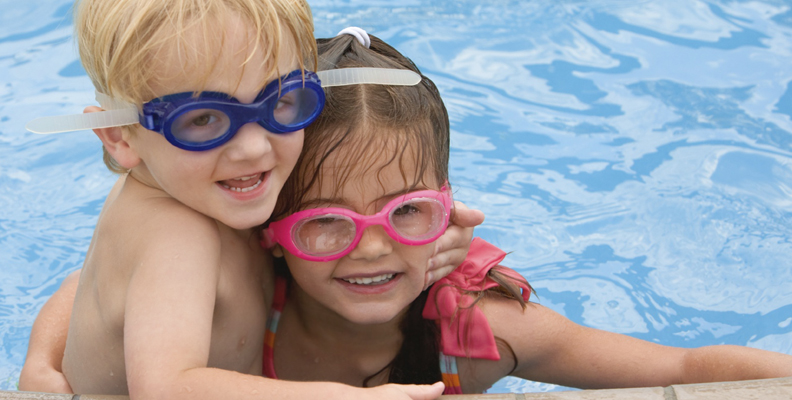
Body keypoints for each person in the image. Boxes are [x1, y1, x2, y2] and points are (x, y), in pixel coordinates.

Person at [257, 31, 792, 394]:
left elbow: (681, 367)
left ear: (447, 205)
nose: (372, 247)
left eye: (406, 211)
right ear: (269, 230)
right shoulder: (240, 303)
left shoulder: (479, 334)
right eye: (324, 220)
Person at [17, 0, 480, 398]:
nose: (255, 148)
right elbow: (164, 389)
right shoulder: (178, 236)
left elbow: (84, 283)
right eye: (201, 120)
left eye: (282, 100)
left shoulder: (196, 184)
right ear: (120, 135)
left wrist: (43, 354)